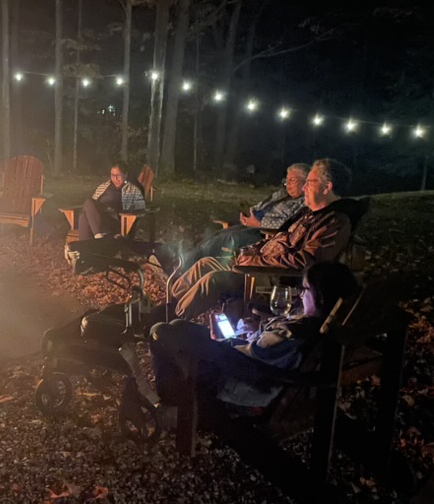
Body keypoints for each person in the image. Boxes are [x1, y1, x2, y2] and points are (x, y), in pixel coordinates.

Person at [149, 261, 359, 419]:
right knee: (178, 327)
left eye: (305, 290)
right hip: (253, 369)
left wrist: (225, 343)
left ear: (320, 297)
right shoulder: (315, 326)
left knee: (161, 332)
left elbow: (249, 358)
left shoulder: (294, 333)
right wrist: (256, 331)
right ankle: (173, 387)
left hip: (241, 382)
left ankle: (171, 395)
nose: (300, 295)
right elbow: (268, 351)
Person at [157, 158, 358, 322]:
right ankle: (168, 307)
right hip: (258, 266)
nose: (304, 187)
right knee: (204, 264)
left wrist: (255, 261)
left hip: (272, 279)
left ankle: (173, 319)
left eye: (310, 182)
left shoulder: (335, 223)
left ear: (327, 187)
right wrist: (250, 252)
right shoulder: (309, 214)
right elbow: (279, 239)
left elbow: (307, 262)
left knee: (213, 279)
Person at [165, 163, 309, 271]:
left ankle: (179, 266)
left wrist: (258, 223)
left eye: (293, 180)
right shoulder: (281, 195)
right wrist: (248, 214)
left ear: (305, 182)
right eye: (286, 180)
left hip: (266, 236)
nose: (287, 184)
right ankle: (180, 258)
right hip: (252, 226)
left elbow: (287, 226)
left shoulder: (303, 203)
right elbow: (259, 207)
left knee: (227, 239)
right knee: (213, 232)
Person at [77, 160, 146, 240]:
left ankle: (93, 241)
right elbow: (91, 208)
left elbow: (141, 210)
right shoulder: (103, 187)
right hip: (99, 220)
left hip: (116, 222)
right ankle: (93, 241)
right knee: (85, 211)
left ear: (125, 175)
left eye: (118, 175)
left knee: (86, 209)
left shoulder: (133, 190)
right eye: (113, 175)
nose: (115, 178)